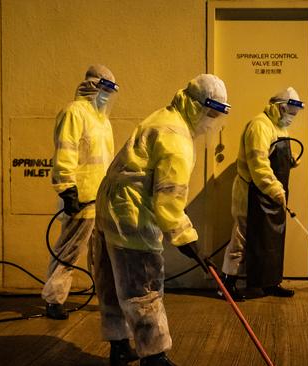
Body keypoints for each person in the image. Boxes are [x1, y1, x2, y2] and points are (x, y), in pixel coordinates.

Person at [91, 74, 230, 366]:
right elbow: (168, 199)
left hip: (108, 210)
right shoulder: (177, 139)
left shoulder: (162, 117)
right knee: (143, 286)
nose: (210, 122)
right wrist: (188, 241)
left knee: (112, 285)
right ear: (196, 106)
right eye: (211, 114)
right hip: (131, 217)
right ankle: (153, 357)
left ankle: (119, 347)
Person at [42, 64, 119, 320]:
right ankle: (53, 299)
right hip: (82, 197)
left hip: (101, 198)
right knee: (70, 249)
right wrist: (67, 189)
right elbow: (65, 151)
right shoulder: (74, 112)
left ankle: (106, 297)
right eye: (106, 89)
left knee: (102, 254)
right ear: (93, 87)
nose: (108, 96)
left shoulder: (102, 121)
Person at [220, 87, 304, 299]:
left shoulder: (279, 127)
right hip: (253, 190)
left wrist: (289, 160)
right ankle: (227, 285)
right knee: (243, 236)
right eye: (290, 111)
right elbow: (258, 165)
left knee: (271, 238)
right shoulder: (259, 126)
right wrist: (275, 188)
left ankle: (269, 283)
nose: (292, 116)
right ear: (279, 107)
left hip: (270, 191)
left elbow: (273, 155)